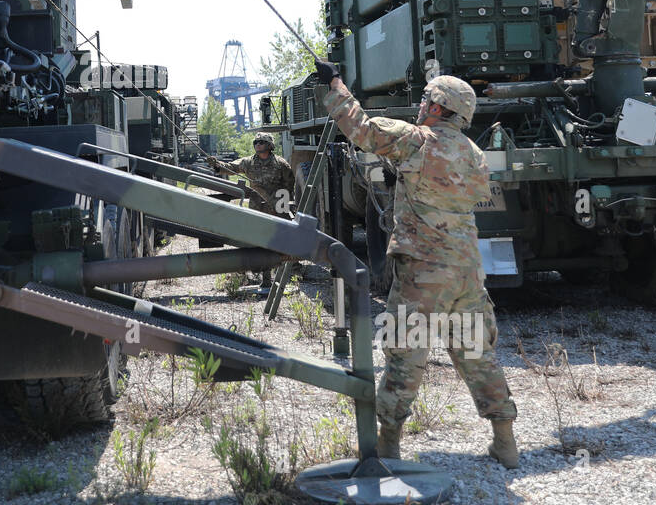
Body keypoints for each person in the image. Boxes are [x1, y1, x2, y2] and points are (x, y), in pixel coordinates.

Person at [318, 63, 519, 468]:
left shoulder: (416, 141)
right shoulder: (475, 155)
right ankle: (505, 442)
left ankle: (388, 443)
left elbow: (359, 128)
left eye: (427, 99)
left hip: (423, 272)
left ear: (439, 107)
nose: (421, 104)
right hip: (467, 272)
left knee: (405, 354)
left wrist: (335, 82)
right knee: (477, 353)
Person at [208, 132, 296, 219]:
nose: (257, 145)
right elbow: (231, 167)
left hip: (277, 207)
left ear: (269, 145)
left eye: (261, 142)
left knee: (283, 231)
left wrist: (282, 203)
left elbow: (289, 185)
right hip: (256, 207)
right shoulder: (248, 162)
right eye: (255, 142)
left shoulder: (281, 164)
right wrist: (217, 165)